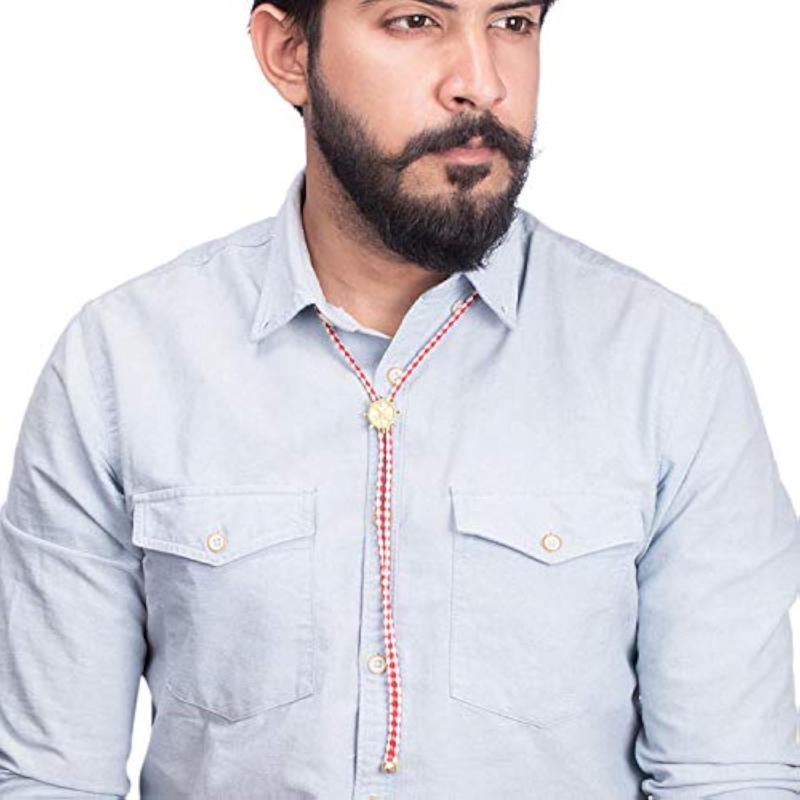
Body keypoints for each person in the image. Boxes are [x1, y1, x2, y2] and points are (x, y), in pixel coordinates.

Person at [0, 0, 798, 796]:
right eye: (416, 21)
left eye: (513, 23)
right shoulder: (124, 361)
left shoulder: (666, 364)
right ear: (288, 52)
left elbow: (730, 778)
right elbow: (50, 779)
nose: (481, 83)